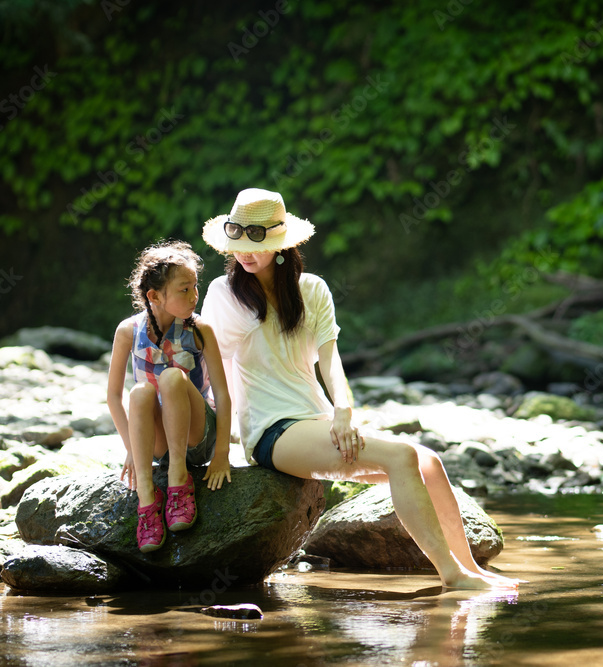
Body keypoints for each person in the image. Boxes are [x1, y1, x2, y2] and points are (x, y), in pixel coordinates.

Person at [200, 188, 518, 590]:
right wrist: (211, 442)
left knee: (430, 462)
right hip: (271, 431)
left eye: (256, 241)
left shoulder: (311, 289)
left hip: (314, 418)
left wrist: (343, 410)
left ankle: (472, 569)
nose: (244, 253)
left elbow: (330, 359)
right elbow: (209, 365)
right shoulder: (223, 294)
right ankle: (451, 576)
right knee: (401, 456)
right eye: (238, 242)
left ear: (282, 245)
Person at [107, 240, 233, 553]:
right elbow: (112, 397)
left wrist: (221, 455)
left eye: (195, 287)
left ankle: (180, 480)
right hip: (159, 444)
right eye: (184, 289)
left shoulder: (199, 328)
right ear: (154, 296)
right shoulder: (127, 331)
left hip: (197, 436)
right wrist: (133, 450)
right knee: (139, 392)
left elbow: (223, 394)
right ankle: (148, 498)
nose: (194, 296)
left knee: (172, 377)